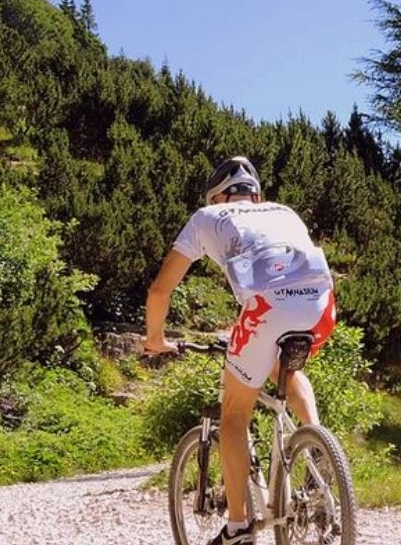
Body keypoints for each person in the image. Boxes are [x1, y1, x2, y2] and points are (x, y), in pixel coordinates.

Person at [143, 156, 336, 545]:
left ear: (217, 196)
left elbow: (159, 290)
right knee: (285, 368)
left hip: (268, 306)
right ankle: (316, 443)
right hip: (321, 302)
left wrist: (154, 340)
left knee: (233, 416)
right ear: (256, 194)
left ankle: (237, 525)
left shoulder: (206, 217)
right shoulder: (283, 211)